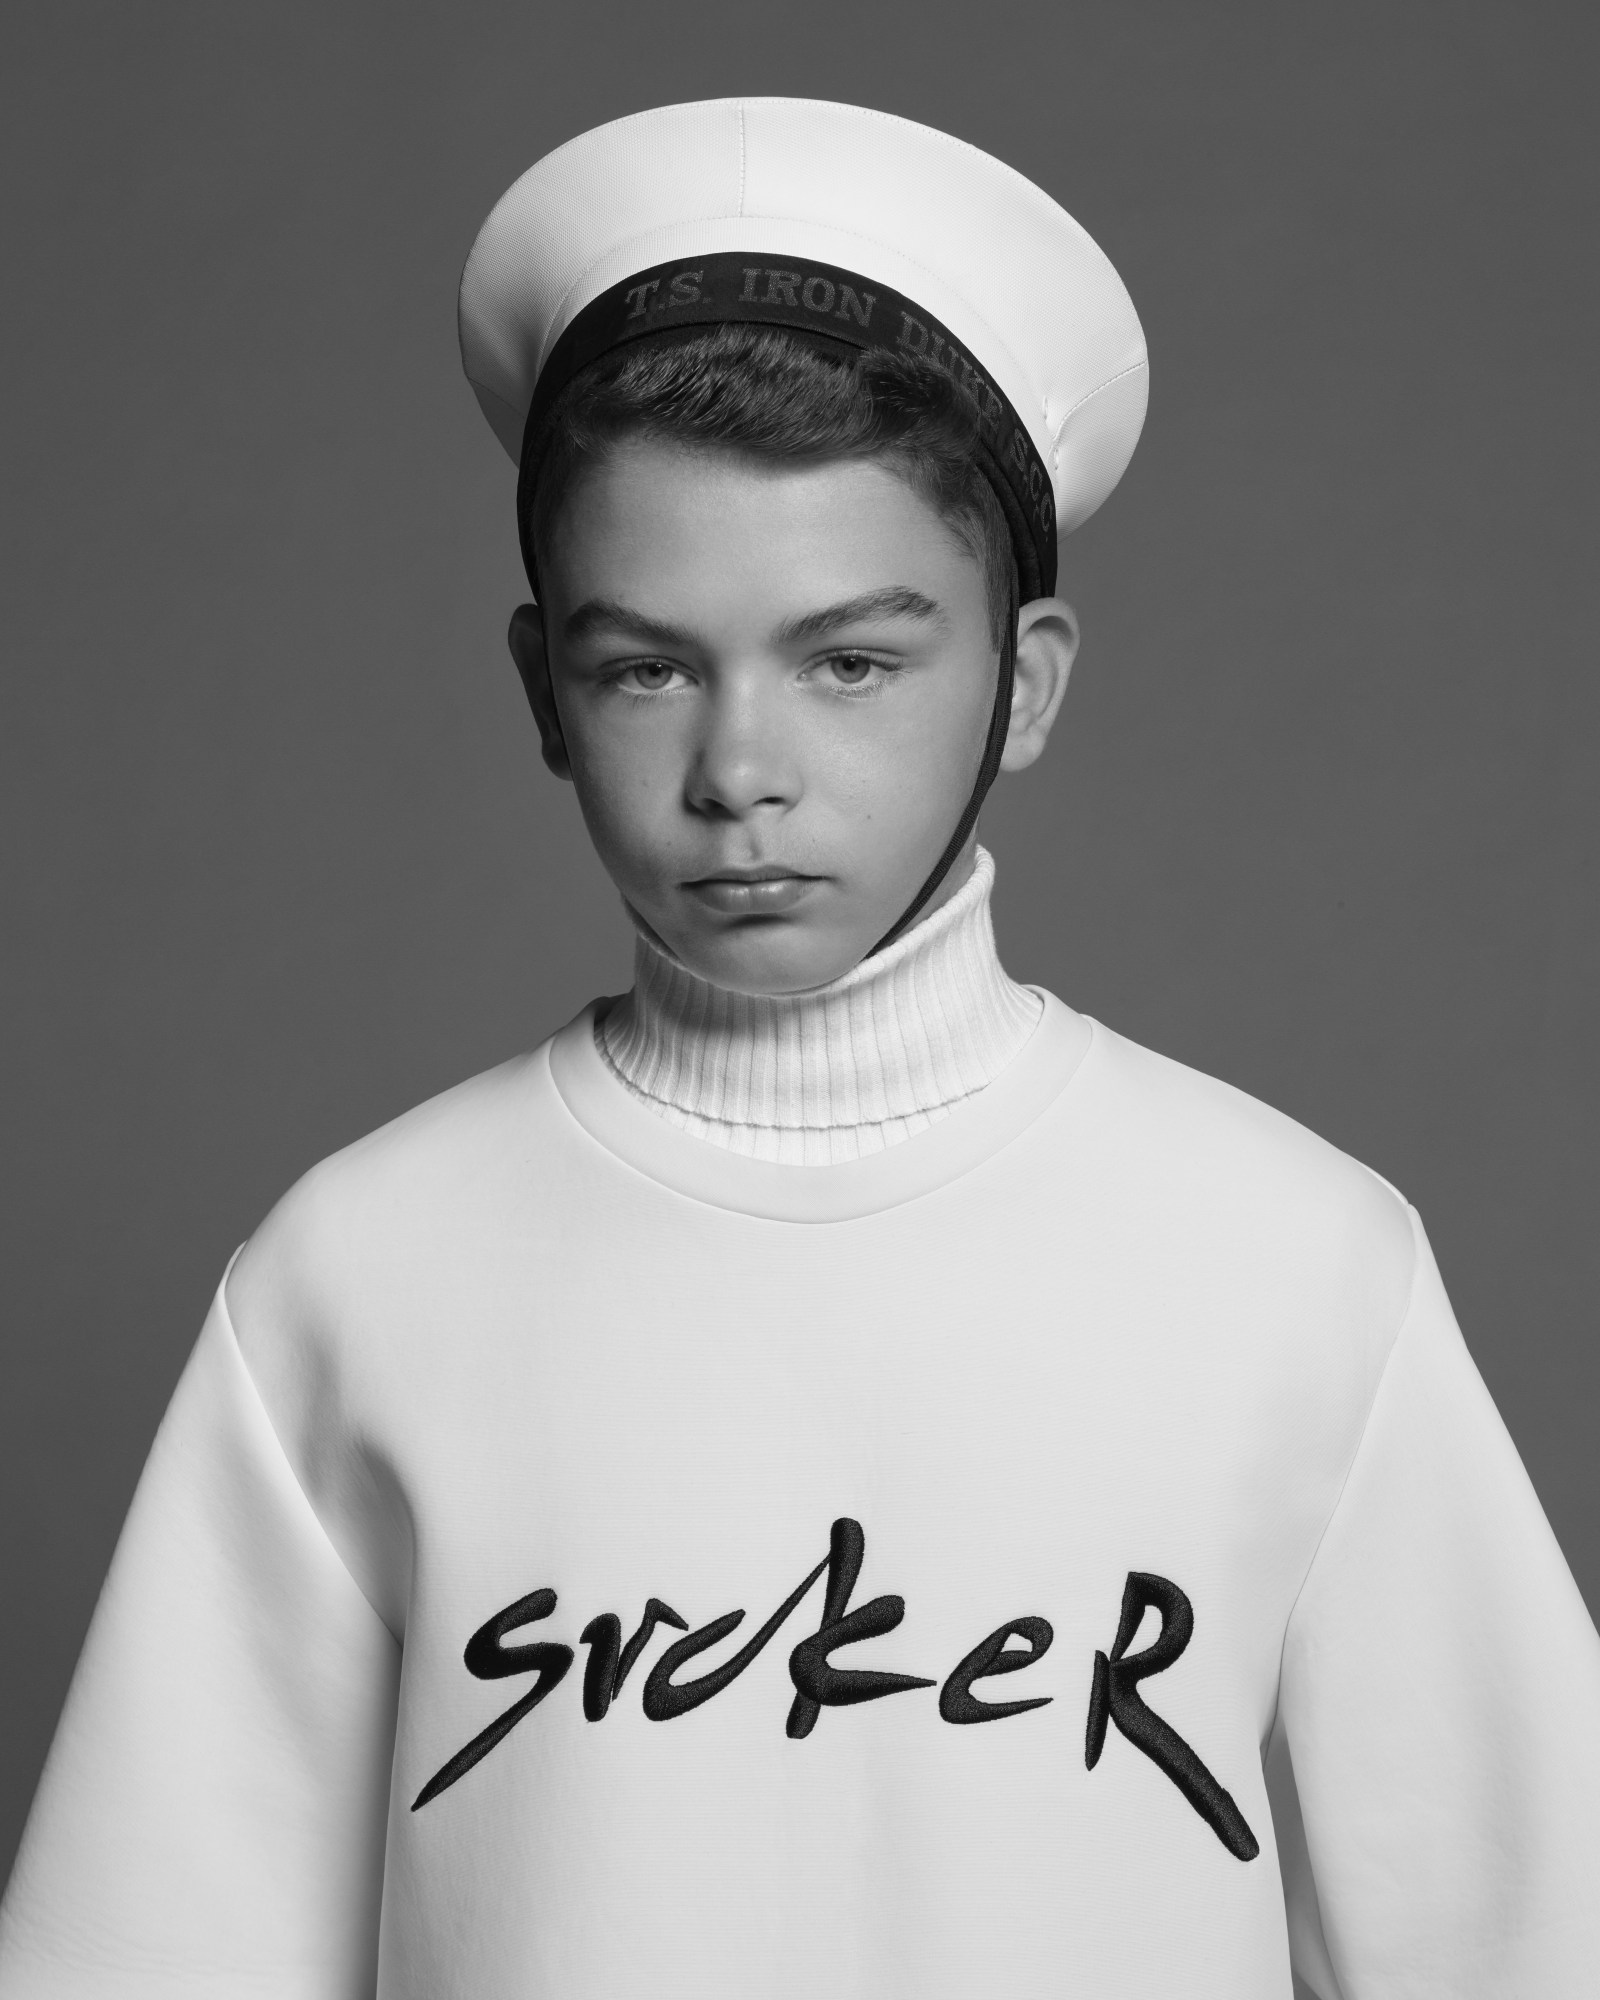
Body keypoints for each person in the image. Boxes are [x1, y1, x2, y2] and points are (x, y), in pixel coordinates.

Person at [1, 96, 1595, 2000]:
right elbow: (148, 1956)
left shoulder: (1297, 1262)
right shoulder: (357, 1274)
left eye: (852, 660)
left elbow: (1524, 1941)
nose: (741, 771)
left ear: (1026, 684)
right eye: (648, 665)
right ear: (542, 690)